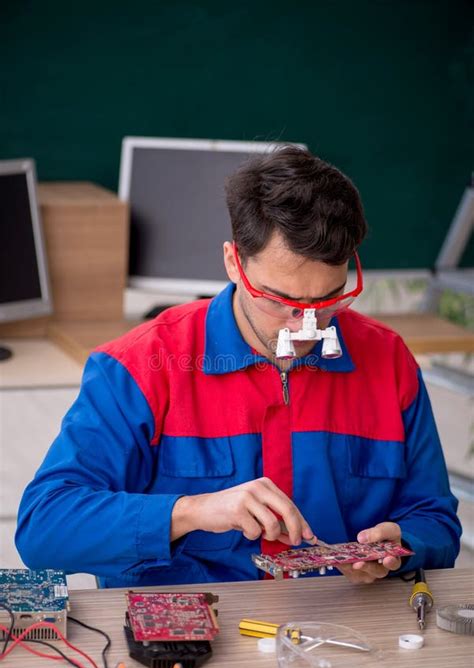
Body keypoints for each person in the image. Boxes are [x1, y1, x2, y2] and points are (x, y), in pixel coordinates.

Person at [16, 146, 461, 588]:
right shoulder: (139, 366)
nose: (305, 327)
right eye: (279, 300)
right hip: (198, 642)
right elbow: (43, 530)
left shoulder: (388, 361)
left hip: (344, 629)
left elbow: (437, 523)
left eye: (327, 300)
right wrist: (191, 511)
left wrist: (404, 544)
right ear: (233, 262)